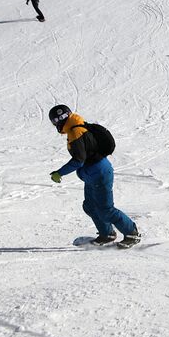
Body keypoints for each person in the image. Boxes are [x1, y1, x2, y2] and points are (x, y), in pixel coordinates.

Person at [47, 104, 140, 246]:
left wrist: (59, 173)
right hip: (91, 174)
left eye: (54, 122)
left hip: (100, 174)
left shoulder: (76, 132)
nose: (55, 125)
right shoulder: (76, 127)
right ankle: (107, 234)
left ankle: (132, 234)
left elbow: (78, 160)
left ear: (59, 120)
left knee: (106, 210)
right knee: (90, 206)